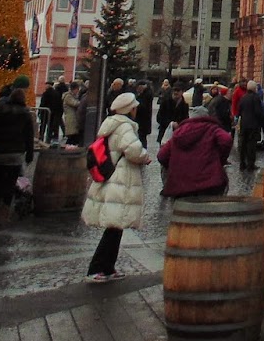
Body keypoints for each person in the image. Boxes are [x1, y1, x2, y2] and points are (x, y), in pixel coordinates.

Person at [82, 92, 152, 283]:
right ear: (130, 109)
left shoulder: (111, 123)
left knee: (116, 227)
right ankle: (97, 268)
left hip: (111, 177)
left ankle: (107, 267)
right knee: (114, 226)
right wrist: (145, 156)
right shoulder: (125, 127)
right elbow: (134, 150)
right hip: (121, 179)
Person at [0, 88, 35, 224]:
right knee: (10, 184)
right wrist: (29, 154)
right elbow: (29, 137)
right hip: (15, 155)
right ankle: (3, 215)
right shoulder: (25, 115)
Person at [159, 105, 231, 199]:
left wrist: (175, 167)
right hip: (209, 183)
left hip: (181, 186)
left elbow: (162, 156)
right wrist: (220, 159)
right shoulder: (212, 128)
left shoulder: (178, 132)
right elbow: (226, 139)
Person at [236, 82, 264, 171]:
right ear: (254, 88)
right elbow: (258, 112)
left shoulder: (243, 97)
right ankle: (251, 165)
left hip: (244, 124)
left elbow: (238, 111)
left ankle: (242, 163)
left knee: (243, 145)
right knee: (251, 145)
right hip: (253, 125)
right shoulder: (256, 98)